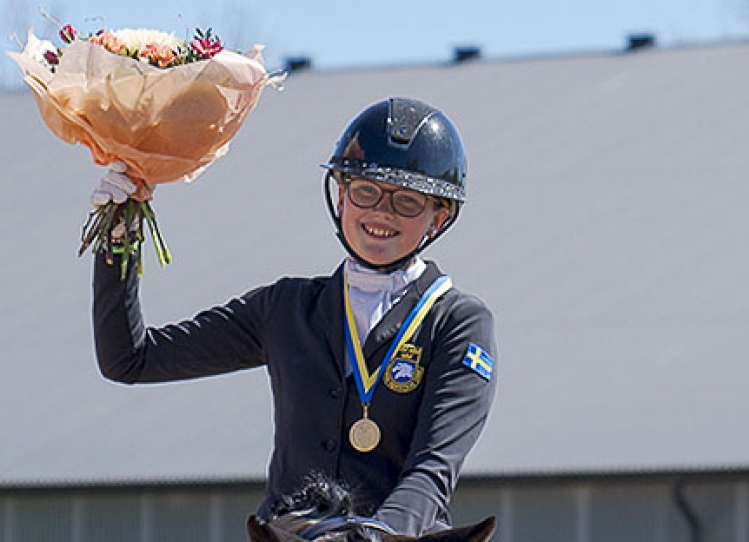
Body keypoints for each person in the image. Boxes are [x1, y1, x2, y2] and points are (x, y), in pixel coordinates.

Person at [91, 97, 497, 536]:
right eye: (365, 191)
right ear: (340, 195)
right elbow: (130, 359)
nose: (381, 212)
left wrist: (368, 536)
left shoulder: (459, 322)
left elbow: (432, 470)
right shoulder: (285, 308)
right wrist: (120, 234)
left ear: (439, 217)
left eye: (407, 201)